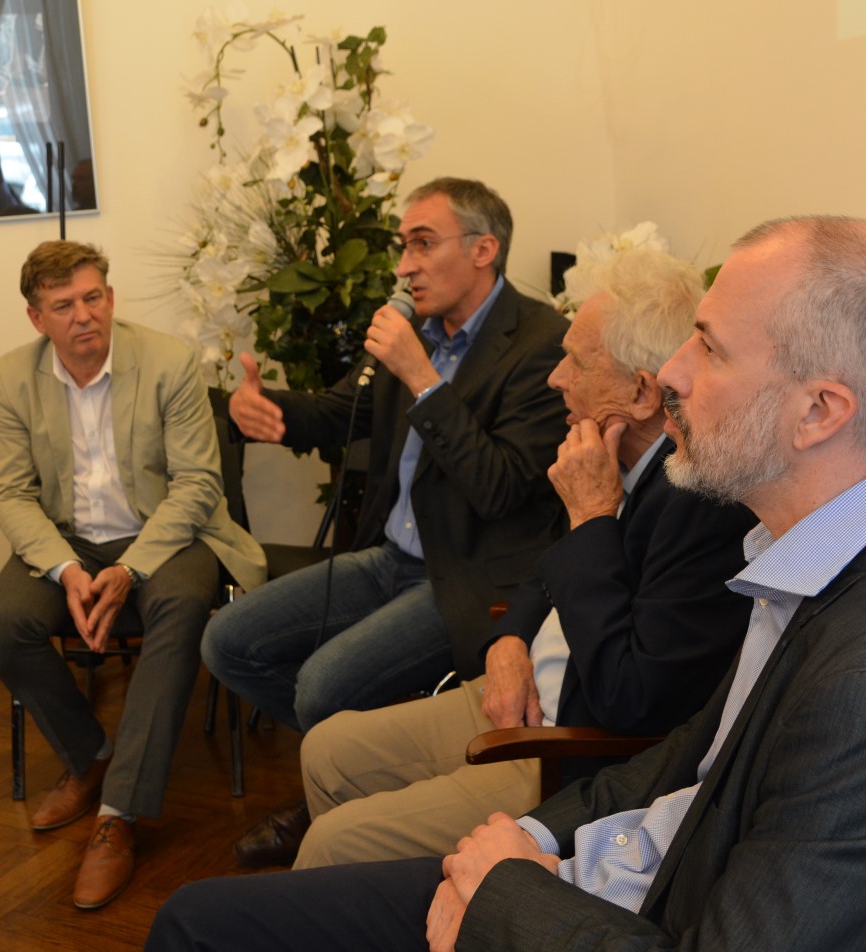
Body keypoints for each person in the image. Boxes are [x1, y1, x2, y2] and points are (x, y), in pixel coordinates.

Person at [148, 215, 866, 951]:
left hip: (625, 909)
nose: (670, 376)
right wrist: (536, 838)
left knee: (201, 926)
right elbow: (689, 760)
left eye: (709, 349)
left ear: (819, 411)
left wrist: (509, 893)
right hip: (616, 875)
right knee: (209, 915)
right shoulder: (825, 554)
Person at [294, 245, 755, 868]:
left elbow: (632, 699)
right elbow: (548, 569)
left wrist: (591, 518)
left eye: (576, 362)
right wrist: (510, 639)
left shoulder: (698, 504)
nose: (555, 378)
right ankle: (378, 898)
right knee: (325, 748)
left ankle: (407, 899)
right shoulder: (604, 453)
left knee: (334, 841)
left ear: (642, 392)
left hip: (566, 746)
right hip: (525, 685)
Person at [202, 177, 569, 866]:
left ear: (484, 249)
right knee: (229, 642)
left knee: (322, 687)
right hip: (388, 556)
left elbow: (499, 487)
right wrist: (266, 410)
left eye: (422, 245)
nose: (404, 266)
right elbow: (345, 411)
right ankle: (361, 775)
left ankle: (339, 797)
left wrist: (423, 377)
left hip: (465, 576)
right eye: (404, 247)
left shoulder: (542, 342)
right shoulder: (419, 333)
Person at [0, 241, 265, 910]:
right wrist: (65, 569)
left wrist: (130, 568)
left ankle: (118, 813)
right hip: (68, 538)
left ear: (109, 298)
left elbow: (197, 484)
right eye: (63, 306)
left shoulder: (167, 361)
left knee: (181, 606)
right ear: (36, 318)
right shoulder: (11, 376)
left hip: (164, 533)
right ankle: (91, 757)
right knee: (2, 624)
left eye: (93, 297)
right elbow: (10, 493)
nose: (83, 316)